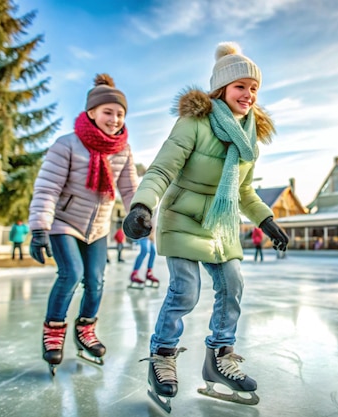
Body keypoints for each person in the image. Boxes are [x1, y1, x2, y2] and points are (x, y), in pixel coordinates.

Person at [122, 42, 289, 412]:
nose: (248, 95)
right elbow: (162, 169)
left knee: (233, 285)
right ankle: (162, 357)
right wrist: (141, 205)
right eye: (240, 86)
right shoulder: (194, 123)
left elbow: (244, 190)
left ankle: (219, 358)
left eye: (254, 88)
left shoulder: (249, 141)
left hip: (220, 224)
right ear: (222, 89)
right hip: (181, 216)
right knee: (186, 290)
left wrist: (267, 220)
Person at [28, 74, 138, 375]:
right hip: (64, 223)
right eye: (108, 112)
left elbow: (129, 189)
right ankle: (54, 331)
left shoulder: (123, 150)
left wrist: (140, 214)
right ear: (91, 112)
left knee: (97, 280)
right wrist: (39, 229)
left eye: (120, 114)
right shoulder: (67, 144)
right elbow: (47, 188)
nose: (115, 119)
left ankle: (85, 330)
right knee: (72, 274)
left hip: (99, 227)